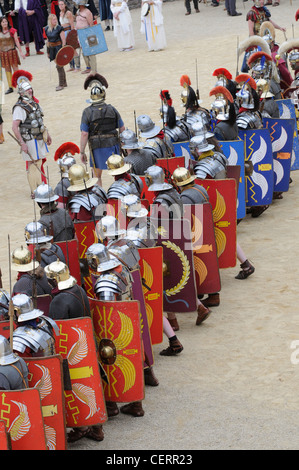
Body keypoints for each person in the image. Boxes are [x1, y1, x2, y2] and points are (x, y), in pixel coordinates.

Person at [44, 259, 104, 442]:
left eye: (50, 280)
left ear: (55, 280)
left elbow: (58, 334)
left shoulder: (59, 301)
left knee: (73, 387)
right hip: (87, 347)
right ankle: (96, 427)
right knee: (91, 383)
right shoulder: (79, 290)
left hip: (71, 353)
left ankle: (82, 427)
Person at [80, 73, 125, 185]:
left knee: (96, 176)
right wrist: (123, 144)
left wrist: (82, 152)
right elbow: (122, 128)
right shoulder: (112, 109)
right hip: (113, 144)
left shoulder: (87, 112)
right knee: (118, 173)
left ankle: (100, 198)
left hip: (97, 147)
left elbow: (84, 134)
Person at [11, 70, 51, 198]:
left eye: (31, 90)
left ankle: (41, 186)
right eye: (27, 91)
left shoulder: (34, 103)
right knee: (33, 164)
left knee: (38, 162)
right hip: (29, 140)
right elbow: (14, 127)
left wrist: (47, 134)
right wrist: (22, 143)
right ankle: (35, 190)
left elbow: (40, 121)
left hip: (38, 138)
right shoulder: (19, 107)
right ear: (21, 93)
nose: (30, 92)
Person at [0, 16, 25, 95]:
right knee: (7, 69)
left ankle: (20, 85)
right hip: (3, 53)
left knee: (15, 68)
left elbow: (17, 42)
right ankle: (10, 87)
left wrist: (21, 52)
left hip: (12, 51)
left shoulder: (12, 31)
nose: (5, 23)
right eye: (3, 22)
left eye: (6, 22)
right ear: (0, 23)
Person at [45, 13, 67, 92]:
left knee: (59, 66)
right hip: (52, 48)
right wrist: (48, 51)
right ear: (50, 20)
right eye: (53, 19)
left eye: (55, 19)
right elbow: (48, 41)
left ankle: (61, 84)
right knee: (60, 66)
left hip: (59, 48)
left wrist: (63, 50)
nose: (55, 21)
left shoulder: (59, 28)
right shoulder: (47, 29)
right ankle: (64, 82)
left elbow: (63, 40)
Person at [75, 0, 97, 74]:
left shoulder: (87, 12)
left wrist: (90, 35)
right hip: (80, 33)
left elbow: (91, 24)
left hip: (87, 33)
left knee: (91, 51)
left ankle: (94, 69)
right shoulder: (78, 12)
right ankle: (88, 67)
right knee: (84, 51)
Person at [59, 0, 80, 72]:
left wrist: (72, 34)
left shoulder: (68, 13)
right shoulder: (60, 13)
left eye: (62, 4)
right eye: (59, 5)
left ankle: (78, 66)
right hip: (63, 32)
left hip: (68, 32)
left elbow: (72, 24)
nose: (60, 6)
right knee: (66, 50)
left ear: (65, 5)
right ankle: (72, 65)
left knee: (73, 49)